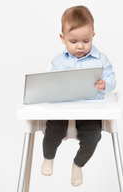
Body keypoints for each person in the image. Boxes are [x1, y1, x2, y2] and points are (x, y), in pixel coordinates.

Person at [41, 5, 116, 186]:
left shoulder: (101, 59)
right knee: (52, 131)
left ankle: (78, 164)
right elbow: (48, 83)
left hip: (90, 109)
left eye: (86, 41)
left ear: (93, 37)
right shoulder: (58, 62)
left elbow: (111, 78)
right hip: (63, 108)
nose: (80, 46)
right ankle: (48, 157)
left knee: (93, 137)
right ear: (63, 38)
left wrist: (105, 84)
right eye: (73, 42)